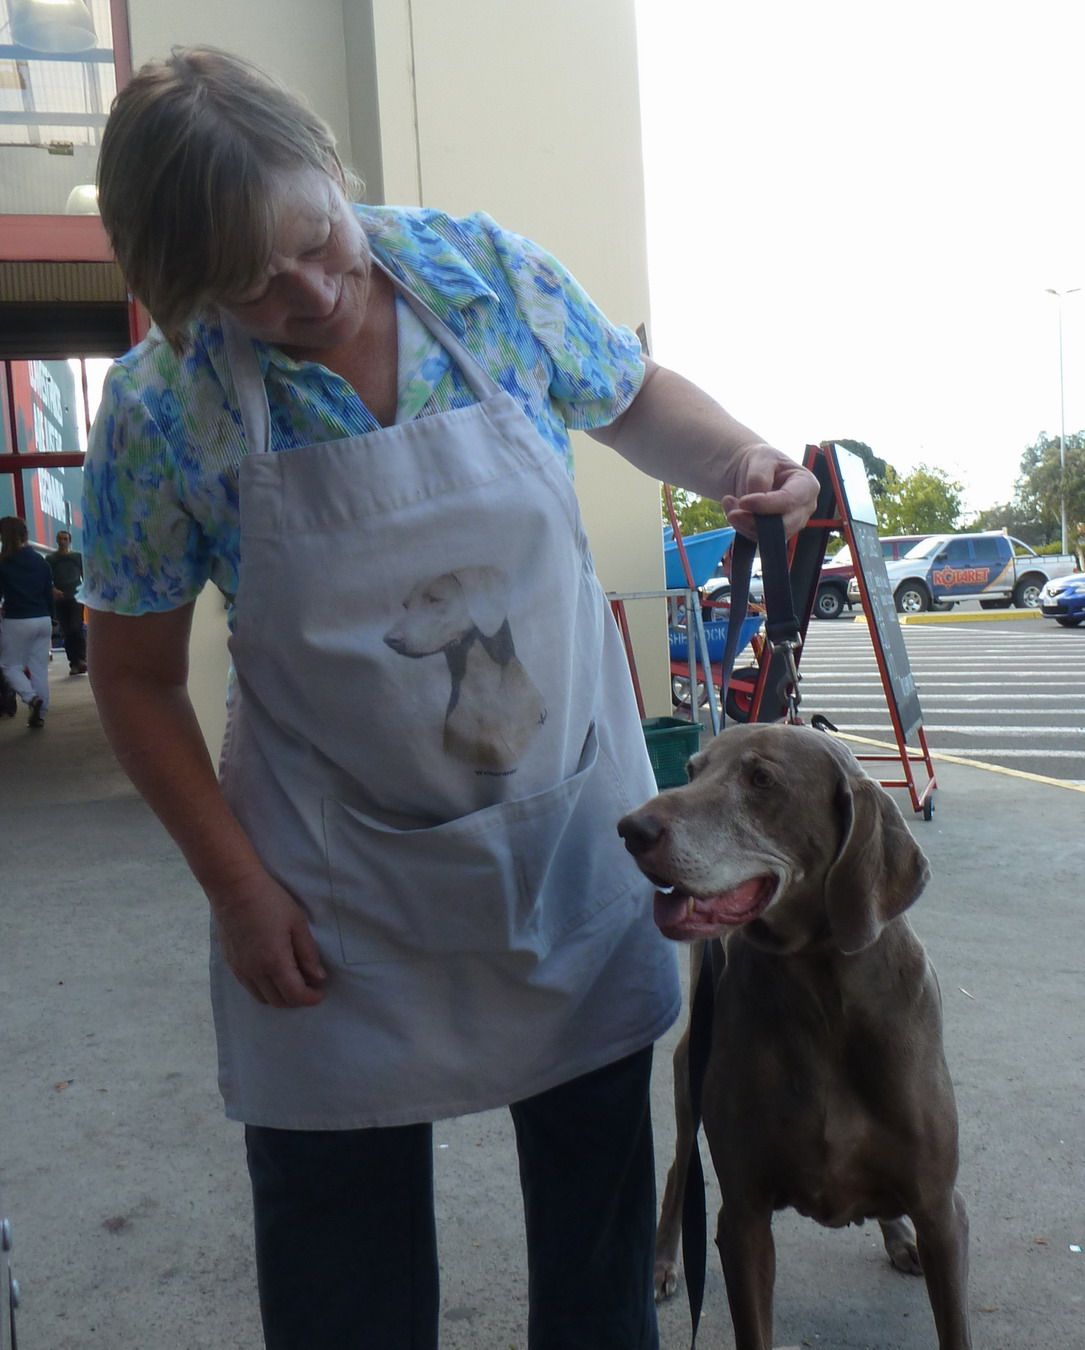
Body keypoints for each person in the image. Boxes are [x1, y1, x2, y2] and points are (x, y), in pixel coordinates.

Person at [82, 46, 819, 1350]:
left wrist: (740, 458)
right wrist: (239, 890)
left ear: (331, 168)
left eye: (319, 238)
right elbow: (135, 682)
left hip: (568, 838)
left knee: (598, 1268)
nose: (313, 291)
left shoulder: (482, 275)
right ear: (187, 291)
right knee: (343, 1280)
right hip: (332, 884)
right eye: (255, 287)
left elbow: (632, 397)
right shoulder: (162, 409)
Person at [0, 516, 53, 729]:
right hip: (43, 618)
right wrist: (52, 616)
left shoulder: (4, 562)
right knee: (39, 668)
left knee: (9, 666)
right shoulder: (40, 560)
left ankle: (31, 698)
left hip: (18, 619)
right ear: (25, 534)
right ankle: (40, 714)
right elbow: (48, 592)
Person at [45, 529, 87, 674]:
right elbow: (46, 578)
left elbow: (84, 574)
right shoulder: (51, 559)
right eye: (60, 539)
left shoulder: (77, 557)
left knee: (76, 626)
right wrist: (53, 589)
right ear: (57, 540)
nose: (63, 541)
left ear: (69, 541)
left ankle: (81, 659)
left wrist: (86, 591)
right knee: (67, 630)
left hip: (76, 596)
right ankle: (73, 662)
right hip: (60, 598)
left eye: (65, 539)